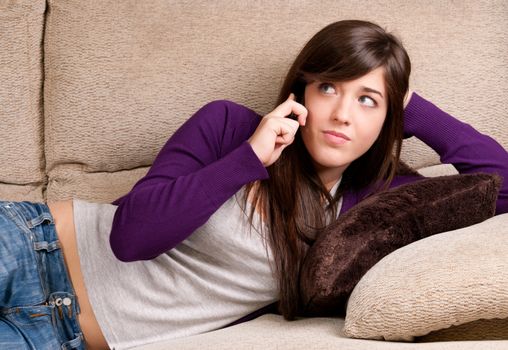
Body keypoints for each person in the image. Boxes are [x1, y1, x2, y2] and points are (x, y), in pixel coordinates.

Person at [1, 20, 507, 350]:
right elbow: (131, 239)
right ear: (301, 93)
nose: (340, 113)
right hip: (31, 242)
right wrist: (249, 159)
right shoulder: (228, 128)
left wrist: (412, 107)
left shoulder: (381, 201)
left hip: (56, 335)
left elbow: (500, 187)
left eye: (367, 100)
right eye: (329, 86)